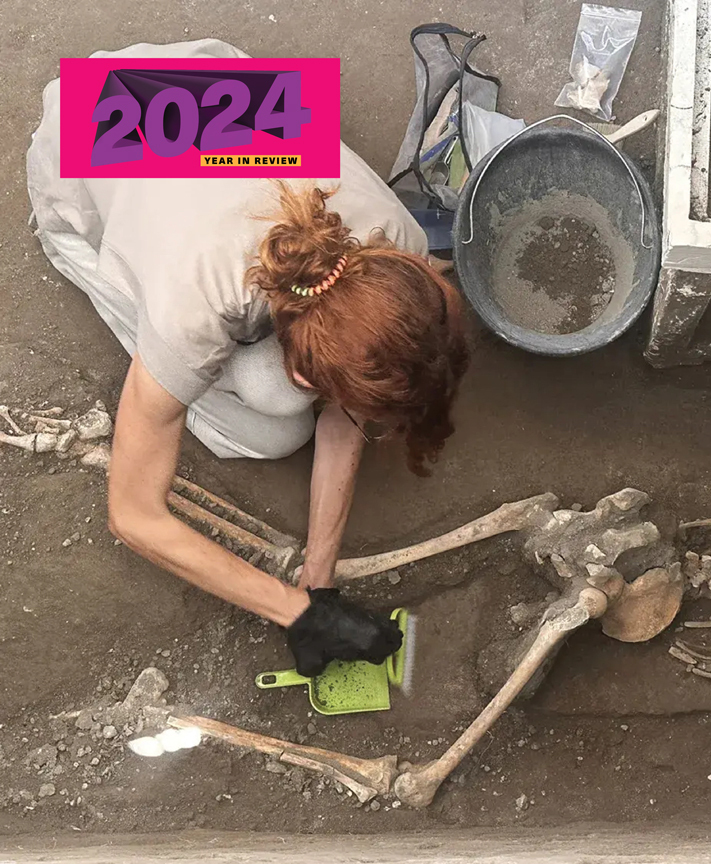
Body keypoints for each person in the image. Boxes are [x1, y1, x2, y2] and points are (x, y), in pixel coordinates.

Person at [26, 39, 469, 677]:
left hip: (193, 78)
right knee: (272, 425)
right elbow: (133, 514)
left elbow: (353, 399)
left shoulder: (396, 248)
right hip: (83, 130)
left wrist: (320, 580)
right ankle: (94, 256)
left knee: (287, 401)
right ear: (302, 363)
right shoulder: (195, 300)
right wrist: (296, 613)